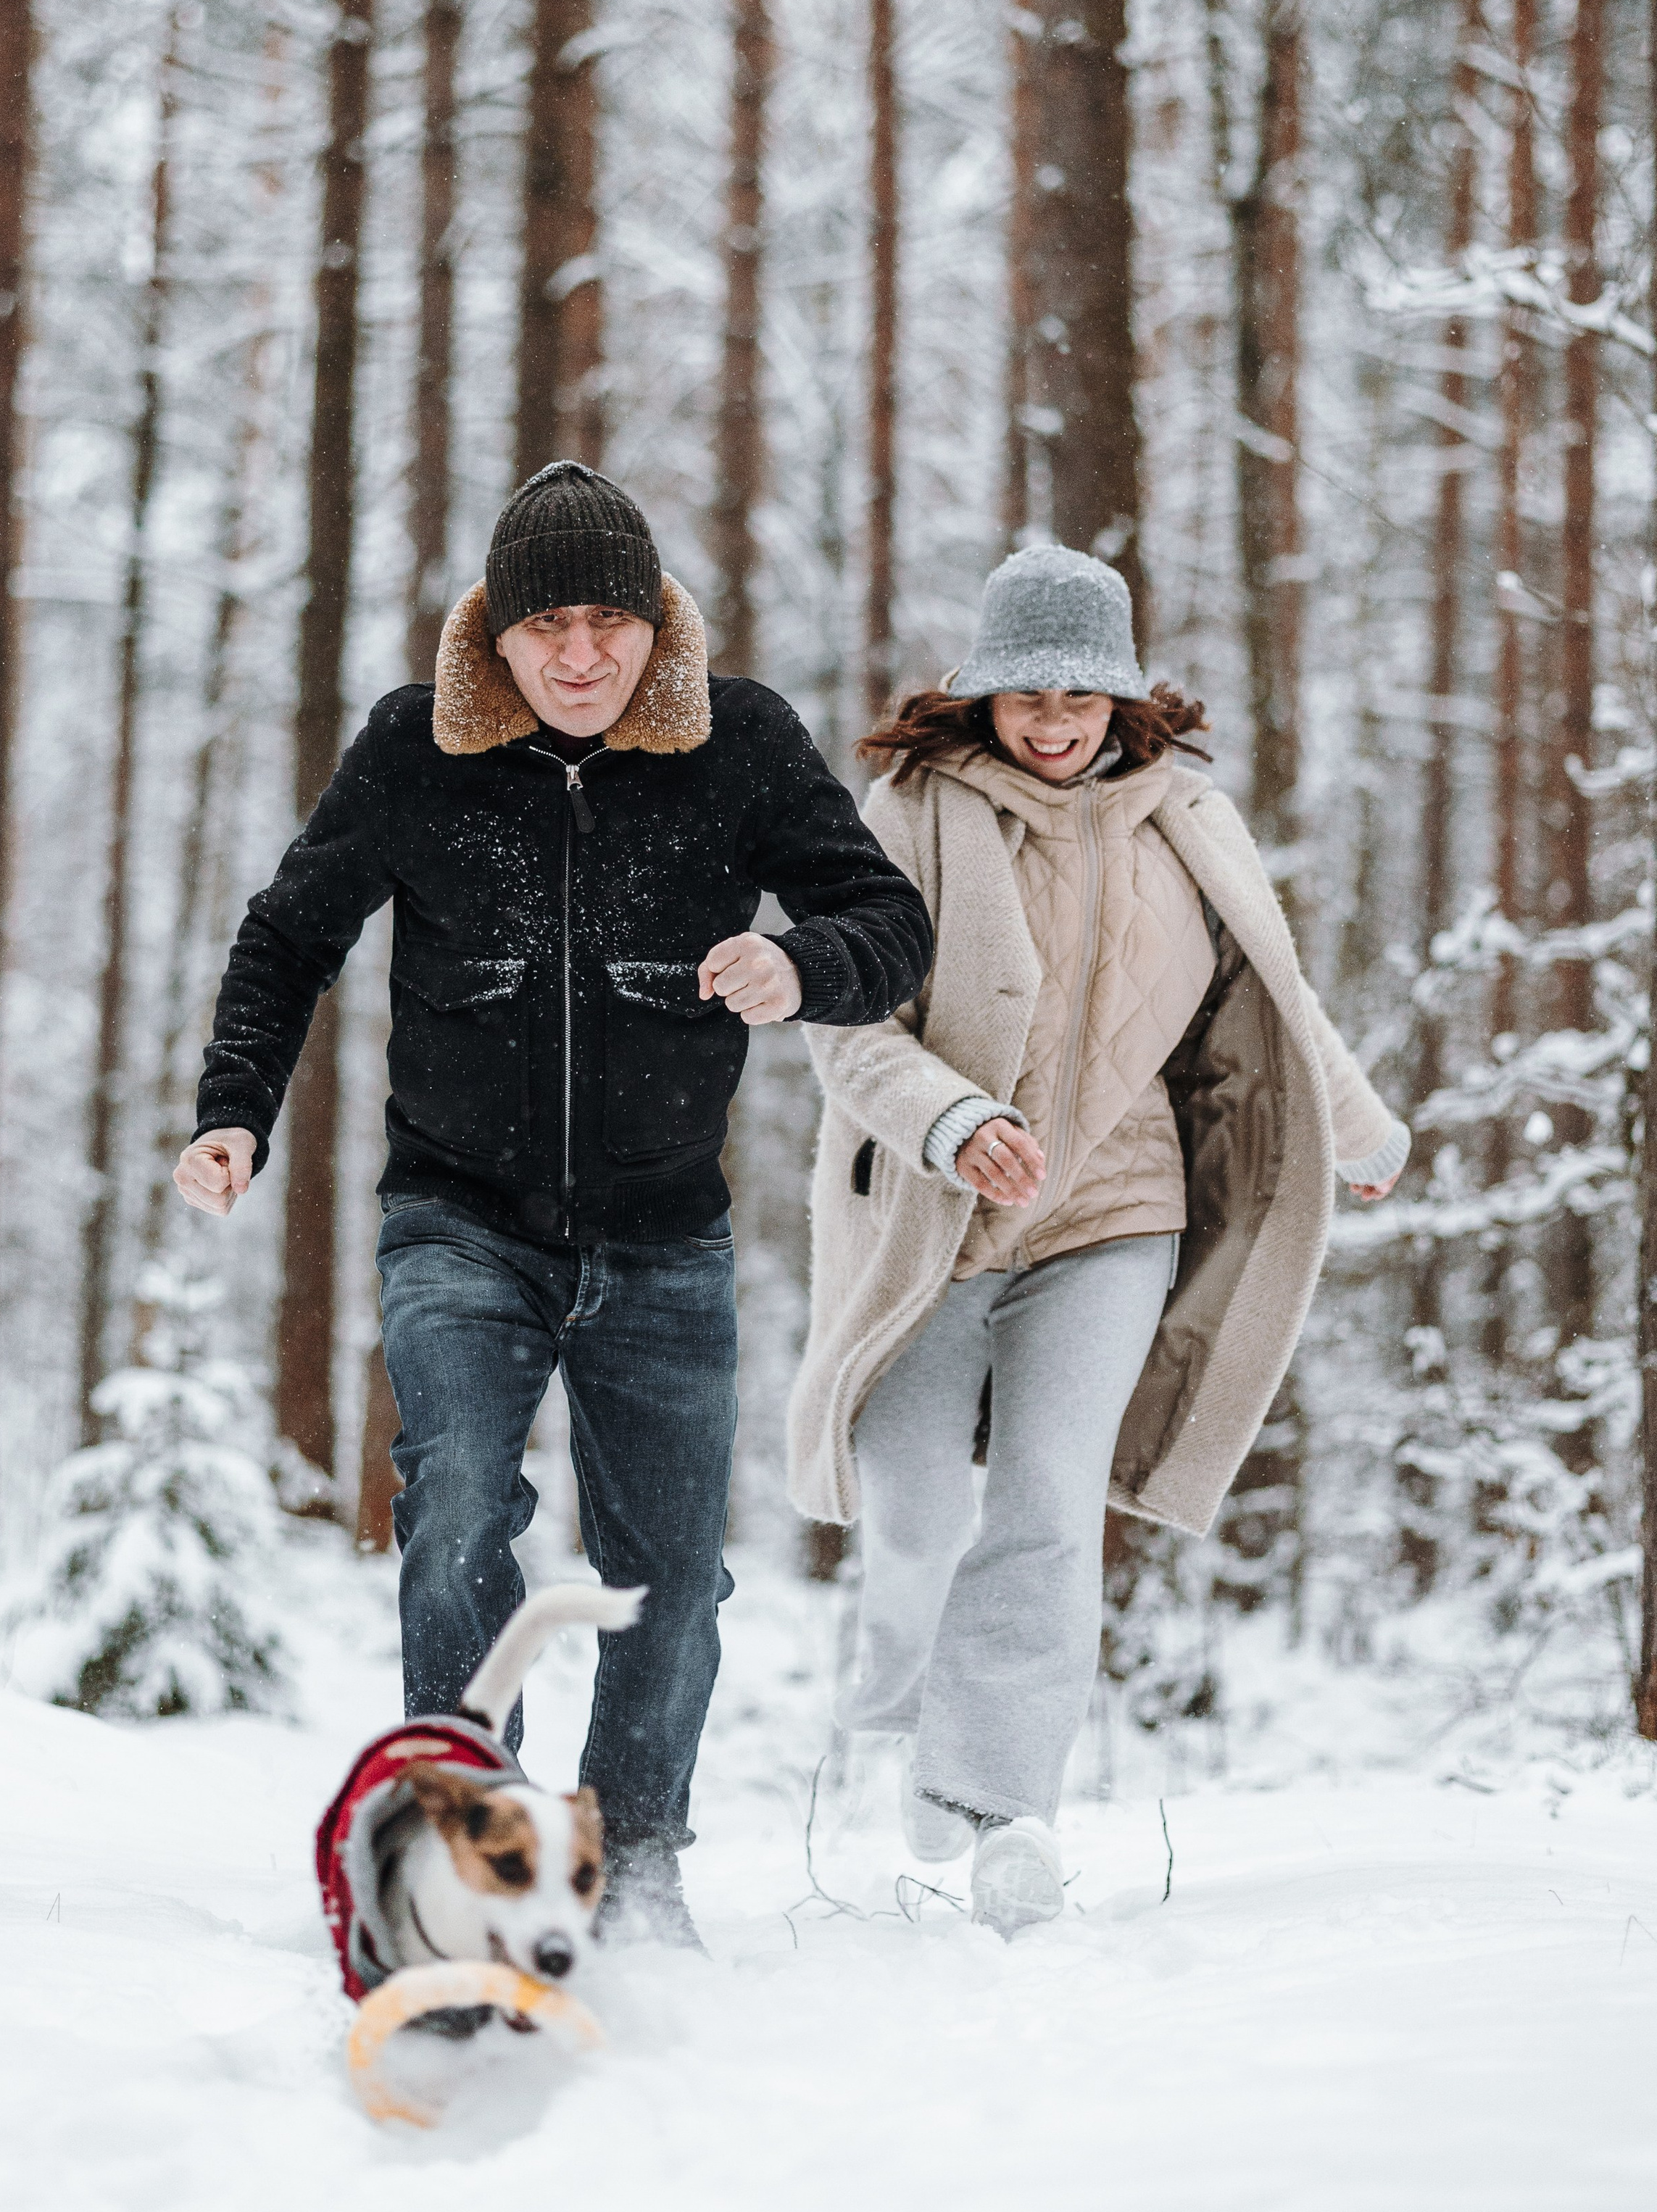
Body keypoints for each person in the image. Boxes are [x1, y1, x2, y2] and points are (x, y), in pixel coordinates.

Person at [175, 462, 931, 1944]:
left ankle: (635, 1866)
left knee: (666, 1576)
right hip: (459, 1218)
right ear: (491, 640)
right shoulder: (415, 751)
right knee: (455, 1501)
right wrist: (230, 1115)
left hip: (663, 1233)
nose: (579, 658)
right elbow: (288, 937)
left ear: (653, 627)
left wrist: (800, 966)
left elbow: (883, 921)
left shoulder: (740, 742)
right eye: (544, 630)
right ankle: (463, 1844)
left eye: (609, 623)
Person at [786, 544, 1407, 1937]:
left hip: (1114, 1210)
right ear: (985, 695)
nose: (1053, 719)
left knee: (1052, 1504)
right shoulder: (911, 813)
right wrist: (951, 1120)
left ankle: (1003, 1810)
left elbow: (1274, 989)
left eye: (1081, 692)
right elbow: (846, 1025)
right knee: (916, 1501)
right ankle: (903, 1714)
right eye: (1025, 693)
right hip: (935, 1219)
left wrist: (1356, 1131)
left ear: (1124, 698)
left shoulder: (1187, 818)